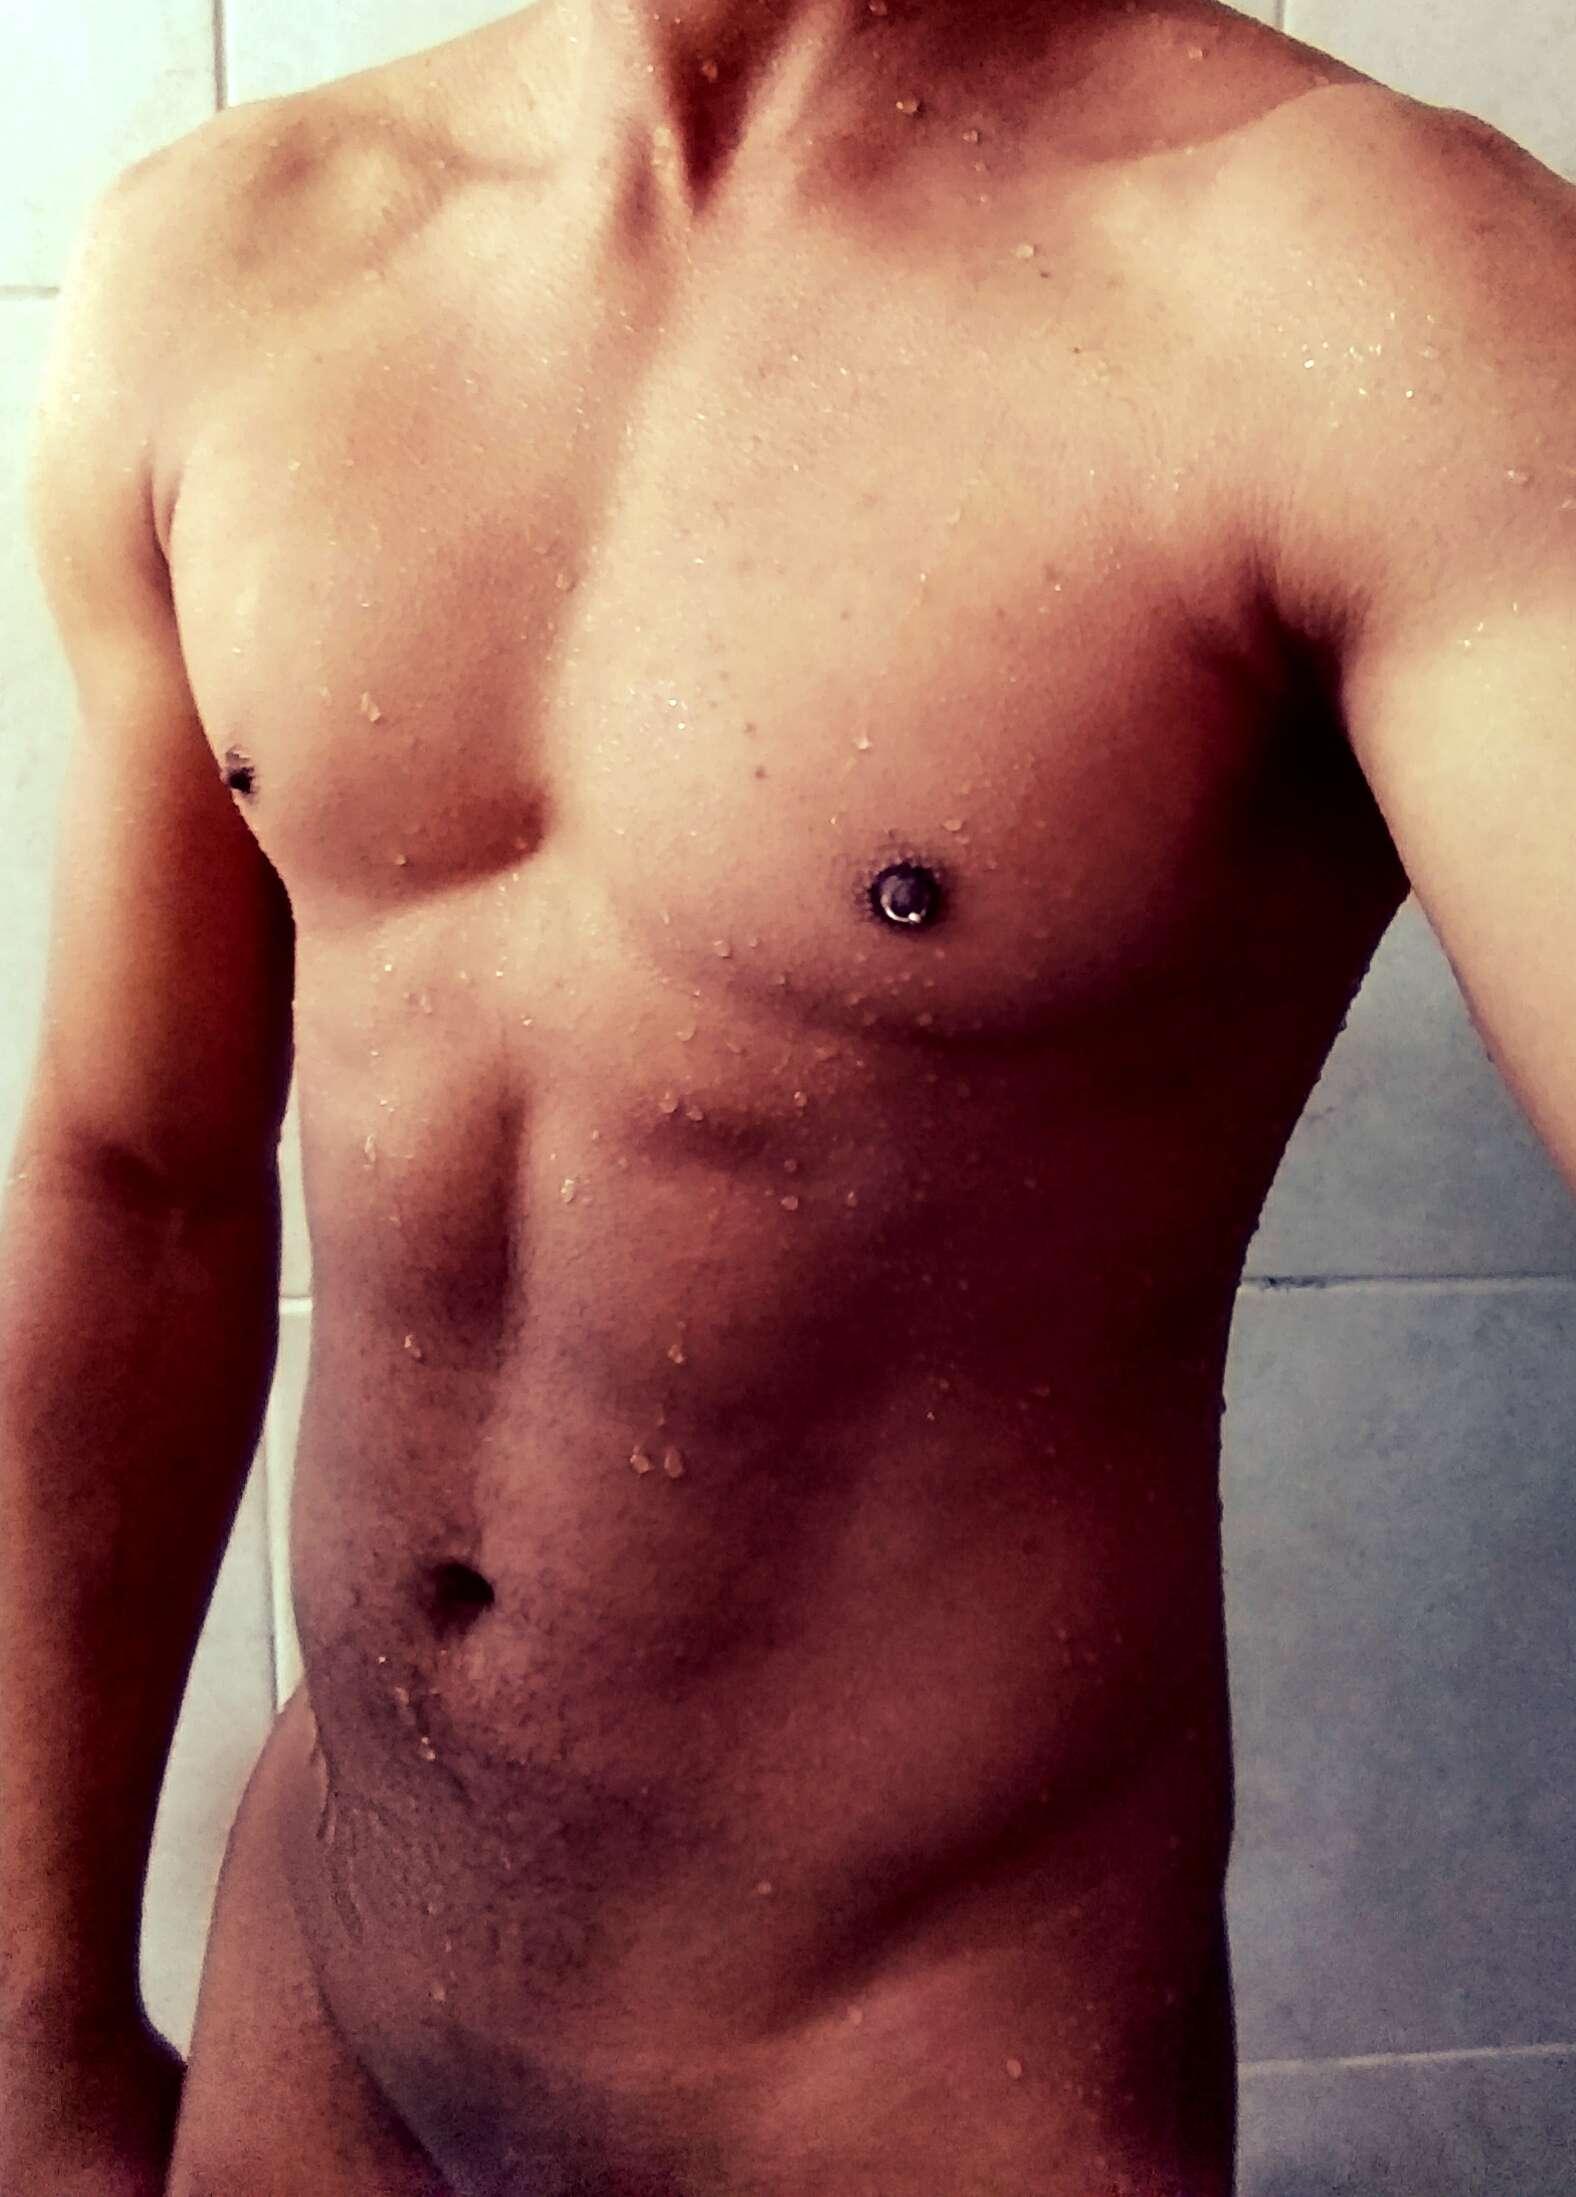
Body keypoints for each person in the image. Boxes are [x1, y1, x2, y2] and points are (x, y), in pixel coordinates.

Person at [4, 0, 1575, 2190]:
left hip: (921, 2087)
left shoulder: (1364, 297)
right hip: (329, 2027)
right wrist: (38, 2026)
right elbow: (136, 1185)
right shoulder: (231, 258)